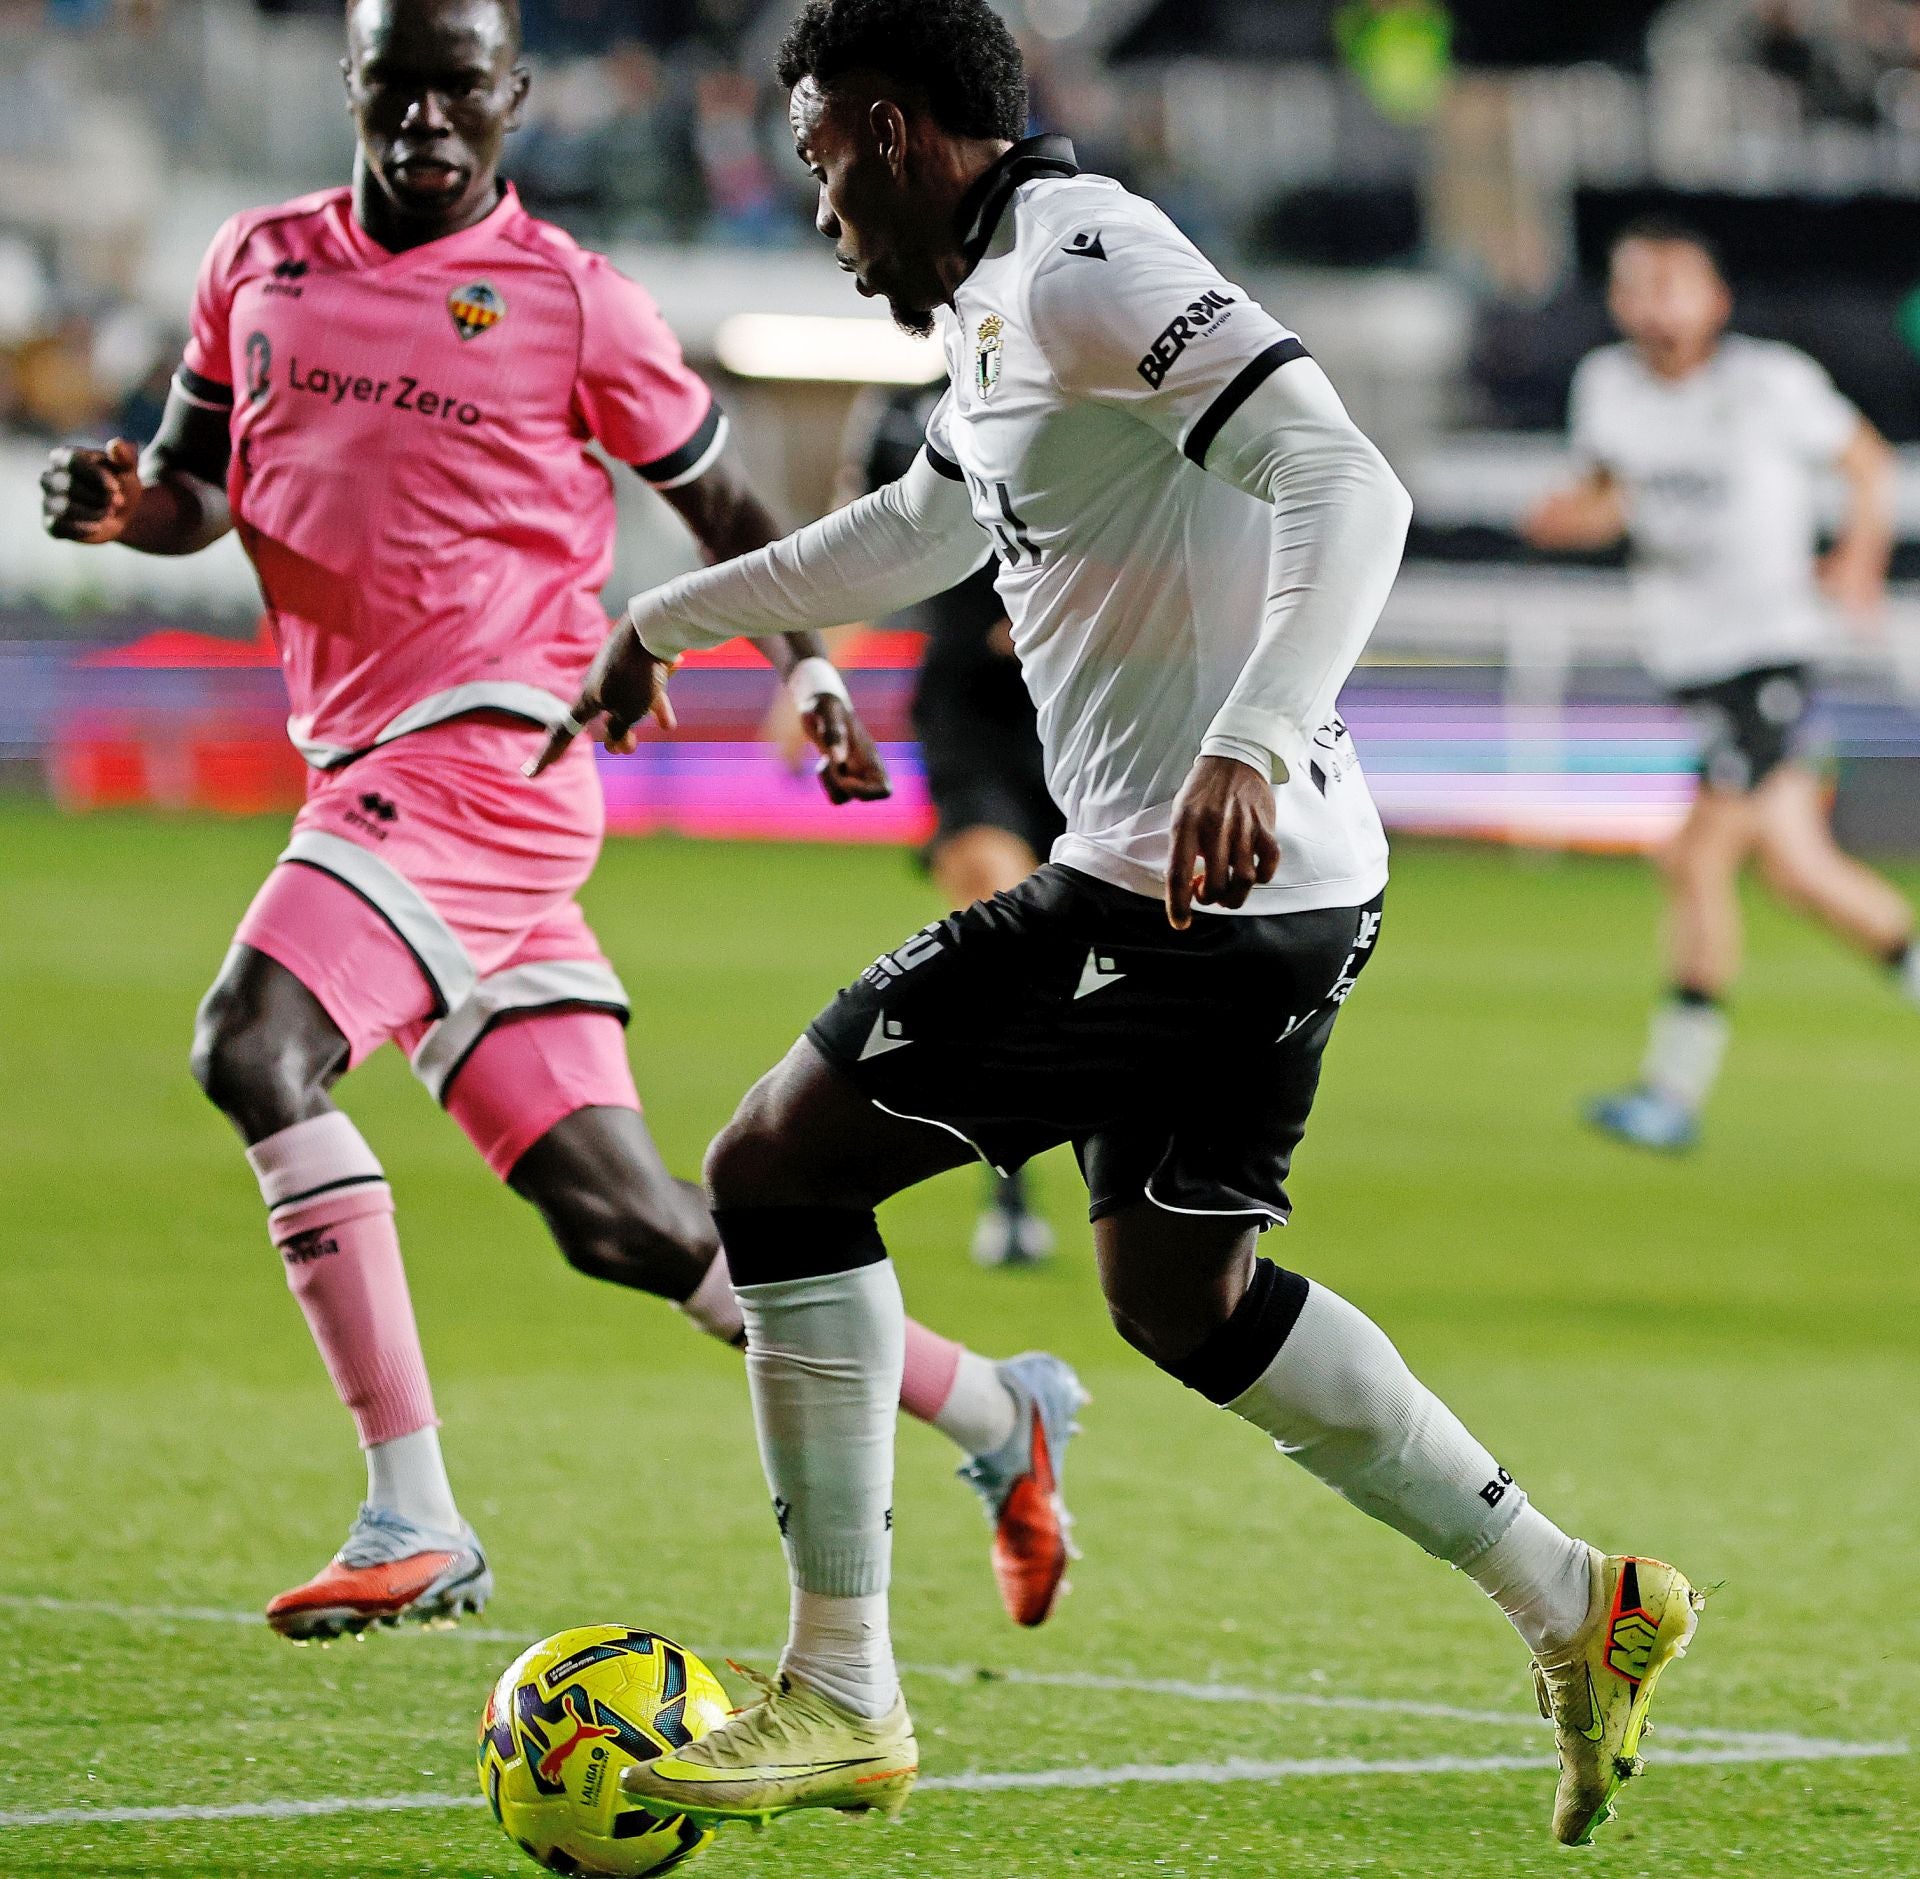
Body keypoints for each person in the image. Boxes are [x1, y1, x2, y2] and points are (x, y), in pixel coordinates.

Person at [538, 0, 1701, 1847]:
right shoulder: (1002, 303)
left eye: (824, 162)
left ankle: (841, 1685)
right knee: (1181, 1292)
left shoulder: (1088, 260)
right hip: (1272, 886)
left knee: (774, 1167)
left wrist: (1250, 732)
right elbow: (922, 529)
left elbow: (1351, 478)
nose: (818, 208)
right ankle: (1575, 1595)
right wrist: (667, 616)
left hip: (1186, 885)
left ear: (897, 134)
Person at [38, 0, 1082, 1643]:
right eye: (397, 88)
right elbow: (195, 488)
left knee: (254, 1044)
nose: (427, 120)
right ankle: (993, 1405)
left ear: (513, 95)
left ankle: (412, 1507)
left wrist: (809, 665)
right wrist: (124, 505)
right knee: (629, 1222)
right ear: (353, 86)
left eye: (459, 89)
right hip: (370, 770)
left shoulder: (573, 299)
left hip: (489, 756)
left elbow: (725, 505)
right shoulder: (256, 262)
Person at [1527, 221, 1920, 1152]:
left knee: (1694, 858)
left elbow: (1868, 461)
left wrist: (1858, 558)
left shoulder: (1767, 383)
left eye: (1672, 284)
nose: (1654, 304)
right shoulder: (1607, 387)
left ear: (1716, 300)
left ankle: (1672, 1091)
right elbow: (1612, 498)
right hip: (1695, 665)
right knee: (1803, 876)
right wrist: (1569, 518)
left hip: (1768, 653)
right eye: (1636, 285)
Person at [844, 376, 1062, 1265]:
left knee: (1097, 965)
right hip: (971, 716)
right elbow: (862, 541)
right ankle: (1010, 1198)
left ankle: (1142, 1193)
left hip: (1093, 711)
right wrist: (812, 667)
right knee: (1003, 938)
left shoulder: (1101, 383)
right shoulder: (906, 413)